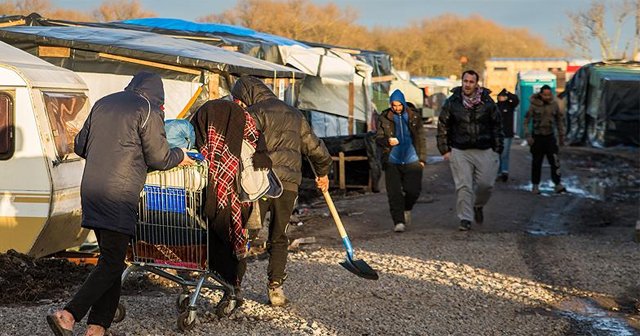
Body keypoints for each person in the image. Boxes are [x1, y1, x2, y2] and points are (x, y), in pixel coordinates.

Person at [46, 72, 193, 336]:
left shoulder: (104, 102)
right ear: (157, 94)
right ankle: (67, 315)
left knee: (111, 260)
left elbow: (80, 145)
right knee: (113, 262)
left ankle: (97, 327)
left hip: (91, 190)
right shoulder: (147, 108)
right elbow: (159, 157)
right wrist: (181, 155)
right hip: (119, 194)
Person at [230, 76, 332, 306]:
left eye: (238, 99)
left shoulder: (253, 113)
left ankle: (234, 286)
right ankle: (276, 289)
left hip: (258, 184)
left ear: (246, 95)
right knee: (279, 235)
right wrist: (323, 172)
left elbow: (238, 146)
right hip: (287, 185)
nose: (239, 104)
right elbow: (316, 149)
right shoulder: (295, 114)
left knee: (246, 234)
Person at [190, 99, 271, 311]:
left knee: (206, 234)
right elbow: (255, 139)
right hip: (238, 194)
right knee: (237, 236)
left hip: (205, 193)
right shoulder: (243, 118)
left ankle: (214, 278)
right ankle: (234, 286)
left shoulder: (202, 119)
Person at [436, 70, 503, 231]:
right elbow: (442, 125)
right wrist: (444, 149)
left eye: (471, 82)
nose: (467, 84)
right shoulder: (453, 102)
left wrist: (497, 149)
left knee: (486, 185)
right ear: (462, 82)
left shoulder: (487, 103)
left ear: (476, 84)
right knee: (463, 186)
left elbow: (497, 126)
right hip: (460, 150)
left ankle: (478, 206)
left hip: (485, 149)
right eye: (465, 81)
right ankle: (465, 219)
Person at [376, 90, 426, 233]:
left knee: (413, 190)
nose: (396, 108)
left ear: (403, 103)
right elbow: (378, 137)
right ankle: (398, 221)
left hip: (412, 158)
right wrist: (387, 141)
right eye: (394, 105)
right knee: (394, 193)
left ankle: (407, 208)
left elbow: (421, 138)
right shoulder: (384, 117)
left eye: (399, 105)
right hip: (392, 160)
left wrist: (422, 158)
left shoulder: (414, 116)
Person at [523, 85, 566, 194]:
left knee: (555, 161)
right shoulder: (534, 105)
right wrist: (528, 135)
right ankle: (535, 185)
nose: (547, 97)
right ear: (541, 94)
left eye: (549, 95)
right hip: (537, 138)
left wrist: (561, 136)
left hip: (550, 137)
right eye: (545, 95)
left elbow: (559, 121)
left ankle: (558, 184)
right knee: (537, 163)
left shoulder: (554, 105)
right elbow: (526, 121)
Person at [496, 88, 520, 182]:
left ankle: (504, 172)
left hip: (507, 133)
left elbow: (516, 100)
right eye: (500, 96)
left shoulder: (510, 105)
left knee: (504, 153)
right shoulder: (495, 106)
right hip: (497, 133)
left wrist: (508, 93)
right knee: (497, 154)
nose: (501, 98)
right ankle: (498, 172)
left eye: (503, 96)